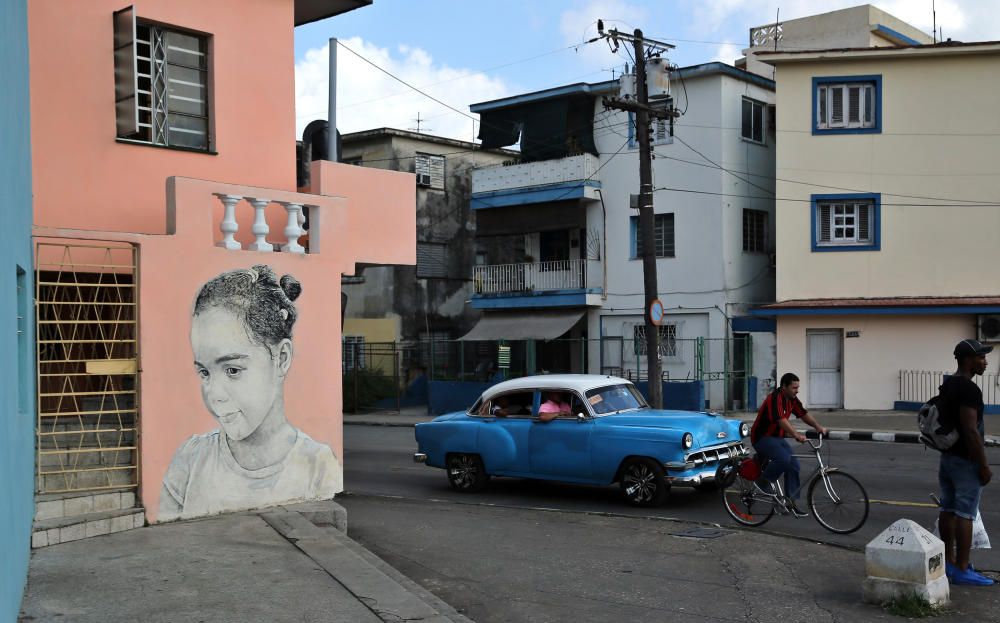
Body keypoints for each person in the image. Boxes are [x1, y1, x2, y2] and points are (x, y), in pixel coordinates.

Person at [159, 265, 342, 521]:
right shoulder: (190, 460)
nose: (215, 394)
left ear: (281, 358)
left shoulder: (318, 467)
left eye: (233, 370)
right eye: (204, 373)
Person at [938, 339, 993, 586]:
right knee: (965, 514)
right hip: (965, 460)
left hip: (947, 458)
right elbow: (971, 431)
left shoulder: (948, 385)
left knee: (948, 509)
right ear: (969, 360)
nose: (985, 361)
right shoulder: (970, 390)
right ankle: (962, 568)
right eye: (981, 357)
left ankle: (948, 562)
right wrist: (983, 465)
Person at [750, 372, 827, 517]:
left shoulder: (792, 399)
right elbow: (780, 420)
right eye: (794, 387)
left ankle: (789, 503)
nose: (797, 390)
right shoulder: (775, 398)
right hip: (762, 438)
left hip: (777, 438)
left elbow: (803, 414)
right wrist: (796, 435)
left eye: (798, 387)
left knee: (794, 465)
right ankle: (762, 482)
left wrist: (818, 427)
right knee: (783, 459)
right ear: (784, 386)